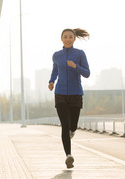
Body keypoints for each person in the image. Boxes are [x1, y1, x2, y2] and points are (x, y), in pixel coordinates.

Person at [48, 28, 90, 168]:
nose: (68, 39)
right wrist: (51, 81)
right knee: (65, 126)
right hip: (60, 94)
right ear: (61, 39)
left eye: (70, 37)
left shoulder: (79, 54)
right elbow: (55, 71)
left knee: (73, 126)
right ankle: (68, 156)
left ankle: (72, 131)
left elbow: (87, 73)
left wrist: (75, 66)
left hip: (75, 93)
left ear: (74, 39)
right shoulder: (57, 55)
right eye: (65, 37)